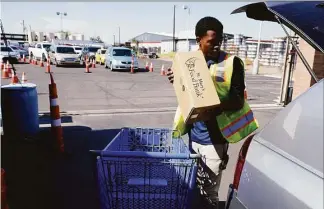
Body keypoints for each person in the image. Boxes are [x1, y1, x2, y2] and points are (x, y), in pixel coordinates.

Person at [167, 16, 259, 208]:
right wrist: (176, 79)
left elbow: (237, 100)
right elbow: (186, 92)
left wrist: (213, 105)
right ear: (198, 39)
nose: (217, 46)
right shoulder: (189, 61)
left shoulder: (232, 63)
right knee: (194, 186)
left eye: (220, 42)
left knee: (209, 192)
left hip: (215, 139)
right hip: (194, 135)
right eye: (211, 42)